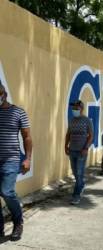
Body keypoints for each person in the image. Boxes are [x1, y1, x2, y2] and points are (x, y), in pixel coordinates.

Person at [0, 83, 32, 241]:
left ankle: (18, 222)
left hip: (10, 159)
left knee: (6, 191)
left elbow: (27, 136)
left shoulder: (18, 112)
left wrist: (28, 158)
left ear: (4, 93)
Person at [65, 100, 93, 205]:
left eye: (76, 108)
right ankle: (81, 185)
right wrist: (65, 146)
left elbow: (91, 136)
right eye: (73, 108)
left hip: (82, 151)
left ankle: (76, 196)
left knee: (79, 173)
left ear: (81, 108)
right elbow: (68, 134)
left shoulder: (87, 120)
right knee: (75, 173)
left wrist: (86, 148)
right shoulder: (72, 120)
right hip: (72, 150)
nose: (74, 110)